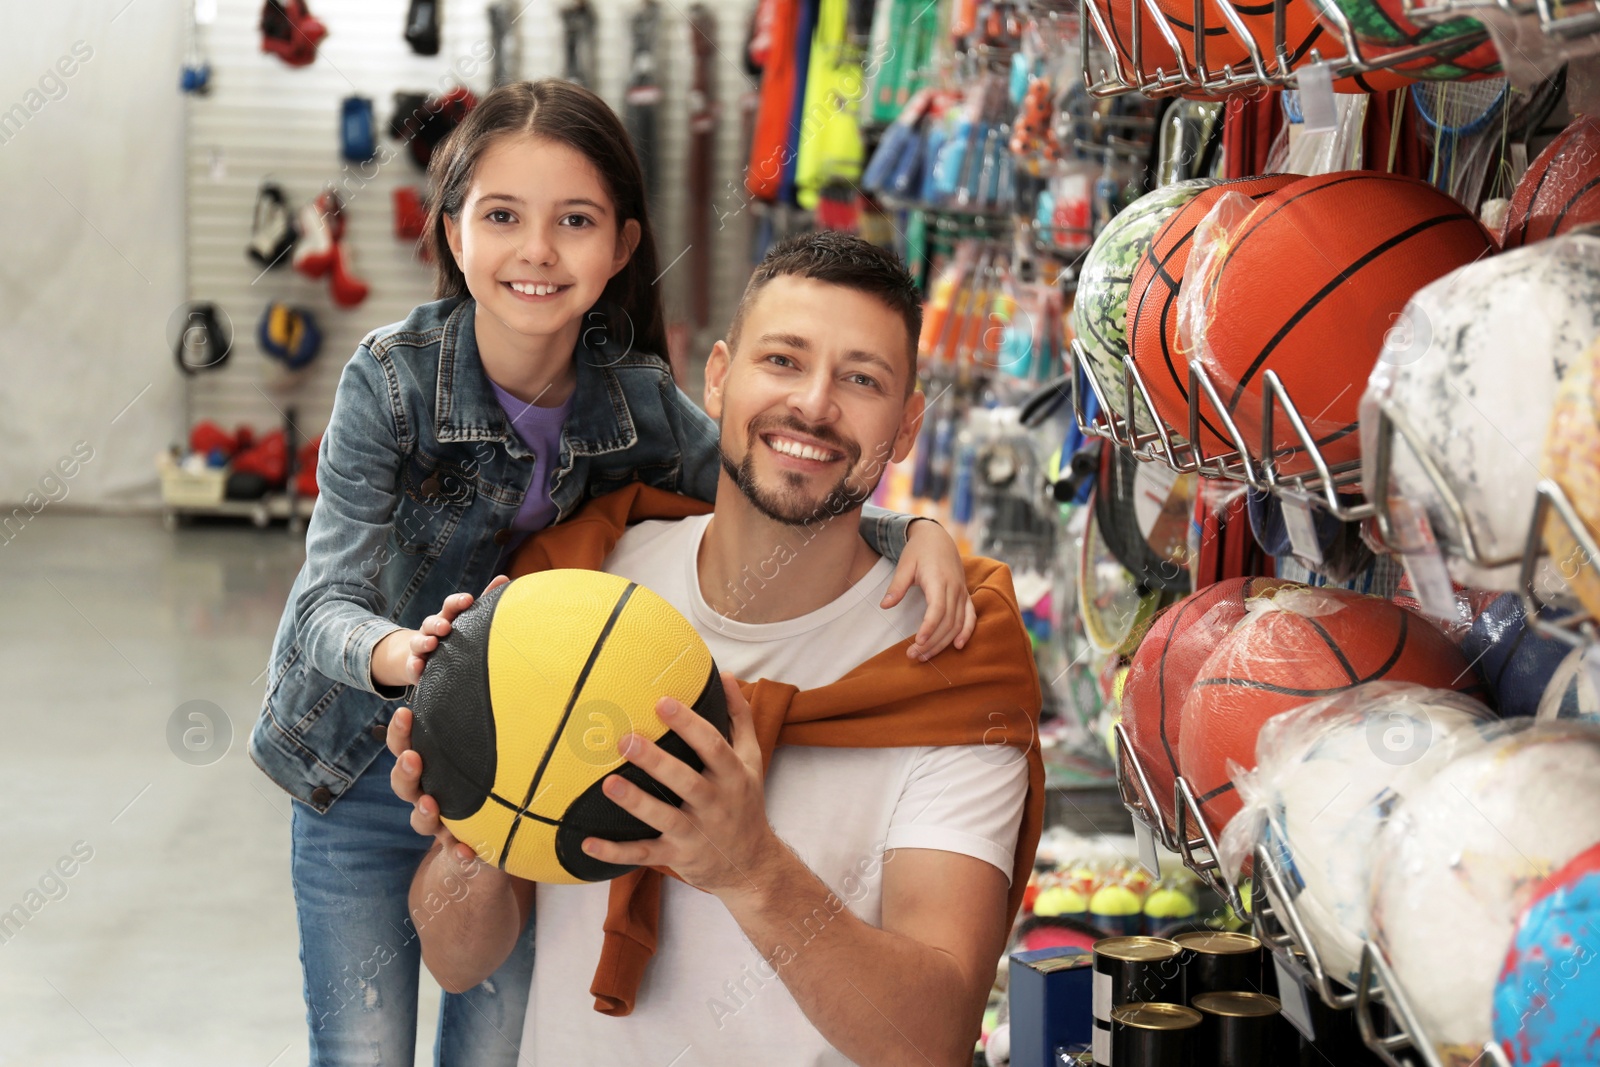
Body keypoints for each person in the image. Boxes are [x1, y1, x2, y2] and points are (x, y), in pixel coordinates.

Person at [248, 82, 974, 1066]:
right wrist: (406, 652)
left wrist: (907, 528)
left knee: (493, 1043)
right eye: (502, 215)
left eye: (575, 220)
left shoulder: (632, 395)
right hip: (355, 763)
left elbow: (768, 475)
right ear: (452, 228)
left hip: (520, 753)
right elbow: (321, 605)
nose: (537, 251)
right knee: (363, 1048)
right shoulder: (389, 379)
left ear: (623, 245)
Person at [388, 230, 1046, 1066]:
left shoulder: (946, 662)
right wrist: (468, 842)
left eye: (862, 379)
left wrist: (753, 869)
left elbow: (933, 1039)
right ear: (719, 375)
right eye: (783, 360)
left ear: (908, 423)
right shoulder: (575, 590)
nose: (814, 404)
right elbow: (457, 956)